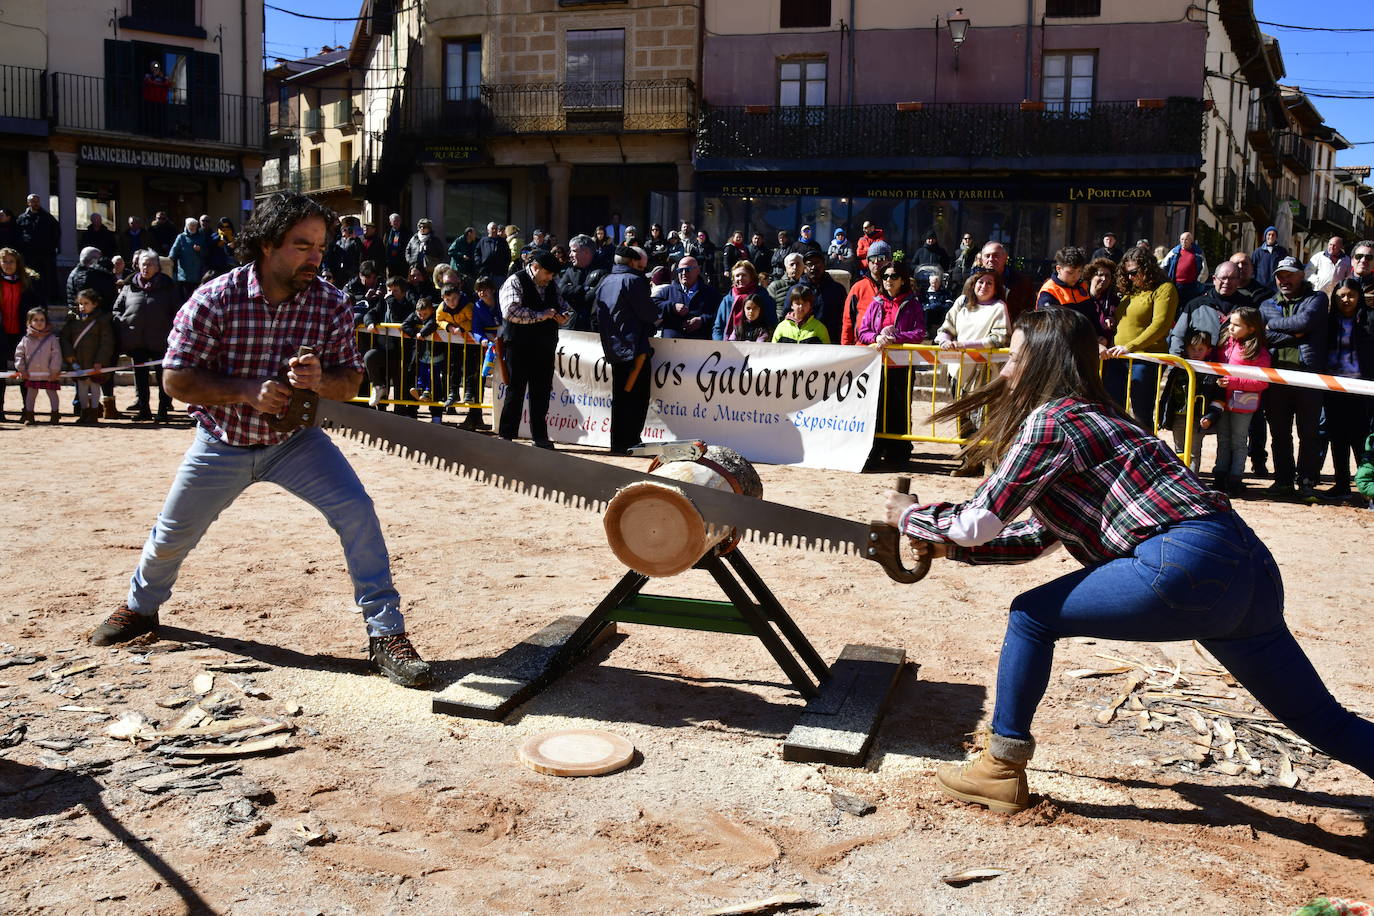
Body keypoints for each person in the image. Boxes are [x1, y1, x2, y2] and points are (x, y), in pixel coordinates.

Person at [885, 308, 1374, 815]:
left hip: (1186, 563)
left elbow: (976, 522)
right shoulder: (1111, 418)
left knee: (1030, 617)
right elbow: (1035, 537)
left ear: (1040, 362)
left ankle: (1000, 768)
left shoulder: (1052, 421)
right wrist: (946, 545)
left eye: (1014, 356)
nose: (1005, 369)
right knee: (1323, 721)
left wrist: (912, 517)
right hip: (1247, 568)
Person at [87, 193, 433, 685]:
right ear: (268, 245)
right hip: (221, 441)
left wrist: (319, 380)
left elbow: (350, 382)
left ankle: (386, 635)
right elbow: (175, 380)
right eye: (302, 246)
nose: (315, 257)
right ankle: (141, 610)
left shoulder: (331, 303)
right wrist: (246, 391)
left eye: (320, 246)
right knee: (172, 535)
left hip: (295, 442)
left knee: (357, 511)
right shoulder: (214, 299)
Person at [1261, 257, 1328, 499]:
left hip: (1309, 377)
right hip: (1277, 378)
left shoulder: (1317, 298)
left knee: (1309, 433)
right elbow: (1264, 336)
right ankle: (1283, 481)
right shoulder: (1266, 304)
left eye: (1289, 274)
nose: (1284, 280)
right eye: (1280, 275)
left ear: (1301, 275)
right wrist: (1299, 335)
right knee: (1279, 433)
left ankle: (1307, 480)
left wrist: (1274, 326)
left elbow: (1306, 321)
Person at [937, 269, 1011, 475]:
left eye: (989, 283)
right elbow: (947, 327)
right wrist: (945, 340)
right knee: (963, 416)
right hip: (959, 371)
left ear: (996, 288)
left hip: (984, 372)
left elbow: (1000, 338)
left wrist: (966, 345)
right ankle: (969, 461)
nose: (983, 286)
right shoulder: (962, 304)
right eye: (980, 282)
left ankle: (989, 461)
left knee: (985, 417)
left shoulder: (998, 308)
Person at [497, 250, 570, 448]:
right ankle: (506, 434)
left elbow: (565, 306)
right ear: (535, 267)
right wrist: (541, 315)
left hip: (544, 346)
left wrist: (564, 316)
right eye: (548, 273)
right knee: (516, 389)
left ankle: (540, 436)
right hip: (519, 345)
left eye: (553, 275)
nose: (550, 278)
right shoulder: (516, 281)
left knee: (542, 391)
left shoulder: (551, 285)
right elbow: (510, 311)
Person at [859, 261, 926, 468]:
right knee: (876, 408)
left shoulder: (912, 303)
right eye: (886, 276)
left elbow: (919, 332)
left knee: (899, 409)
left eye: (894, 276)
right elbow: (862, 331)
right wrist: (876, 337)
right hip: (877, 366)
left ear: (903, 279)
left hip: (902, 366)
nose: (889, 280)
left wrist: (896, 338)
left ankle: (898, 453)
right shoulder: (876, 303)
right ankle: (875, 449)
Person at [1103, 245, 1178, 429]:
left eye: (1134, 272)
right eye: (1127, 273)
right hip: (1118, 357)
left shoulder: (1165, 289)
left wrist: (1131, 346)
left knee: (1141, 413)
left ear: (1147, 268)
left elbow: (1160, 326)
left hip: (1144, 358)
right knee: (1114, 410)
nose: (1130, 277)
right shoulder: (1131, 291)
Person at [596, 246, 656, 455]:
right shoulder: (634, 281)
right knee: (637, 397)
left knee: (620, 396)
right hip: (634, 348)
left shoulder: (605, 281)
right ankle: (630, 440)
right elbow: (648, 313)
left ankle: (618, 442)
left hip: (613, 346)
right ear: (632, 262)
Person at [1319, 279, 1374, 501]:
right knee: (1337, 437)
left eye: (1351, 295)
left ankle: (1367, 487)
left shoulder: (1370, 318)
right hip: (1333, 387)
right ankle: (1341, 483)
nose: (1346, 300)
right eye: (1341, 295)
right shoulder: (1328, 321)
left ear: (1359, 296)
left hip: (1363, 388)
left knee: (1362, 439)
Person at [112, 249, 179, 422]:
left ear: (157, 267)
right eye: (143, 264)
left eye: (149, 264)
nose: (145, 267)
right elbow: (117, 309)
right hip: (137, 340)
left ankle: (163, 410)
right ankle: (144, 409)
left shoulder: (169, 286)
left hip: (161, 341)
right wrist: (123, 322)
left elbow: (179, 312)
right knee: (140, 378)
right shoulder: (129, 286)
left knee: (162, 377)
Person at [1211, 306, 1271, 496]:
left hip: (1243, 403)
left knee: (1238, 441)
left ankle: (1236, 479)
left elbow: (1262, 382)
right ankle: (1220, 477)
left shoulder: (1259, 352)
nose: (1231, 328)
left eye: (1237, 325)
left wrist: (1234, 382)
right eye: (1230, 323)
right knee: (1223, 439)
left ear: (1252, 328)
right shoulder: (1225, 343)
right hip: (1222, 401)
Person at [438, 278, 498, 430]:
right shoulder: (477, 306)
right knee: (478, 376)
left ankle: (477, 417)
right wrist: (483, 338)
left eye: (484, 289)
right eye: (478, 290)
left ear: (492, 289)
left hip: (503, 343)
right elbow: (476, 327)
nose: (481, 293)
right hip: (483, 346)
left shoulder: (498, 302)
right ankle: (474, 416)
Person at [1163, 329, 1224, 474]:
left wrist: (1211, 416)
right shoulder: (1178, 369)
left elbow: (1218, 398)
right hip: (1178, 416)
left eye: (1200, 349)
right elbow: (1167, 395)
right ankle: (1182, 481)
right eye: (1192, 349)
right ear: (1186, 349)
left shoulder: (1212, 372)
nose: (1196, 352)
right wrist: (1163, 416)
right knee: (1179, 451)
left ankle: (1192, 482)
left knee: (1193, 452)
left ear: (1208, 350)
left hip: (1198, 419)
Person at [1166, 260, 1246, 358]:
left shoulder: (1247, 306)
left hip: (1235, 368)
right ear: (1214, 279)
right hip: (1200, 369)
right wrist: (1176, 365)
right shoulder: (1195, 305)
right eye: (1223, 278)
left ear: (1238, 280)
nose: (1227, 282)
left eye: (1232, 278)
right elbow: (1178, 337)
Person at [60, 288, 115, 425]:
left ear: (94, 304)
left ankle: (94, 411)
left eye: (86, 303)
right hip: (78, 360)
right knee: (81, 386)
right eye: (80, 303)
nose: (82, 306)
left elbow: (106, 343)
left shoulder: (102, 321)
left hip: (94, 360)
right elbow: (64, 339)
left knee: (94, 385)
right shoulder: (72, 321)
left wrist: (100, 361)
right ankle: (84, 411)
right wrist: (69, 356)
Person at [0, 247, 42, 421]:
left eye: (11, 261)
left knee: (25, 373)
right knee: (0, 374)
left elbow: (39, 307)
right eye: (4, 261)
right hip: (1, 334)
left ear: (18, 264)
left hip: (23, 334)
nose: (8, 265)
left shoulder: (29, 283)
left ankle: (28, 410)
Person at [363, 277, 415, 412]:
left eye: (395, 291)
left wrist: (391, 301)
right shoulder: (383, 303)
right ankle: (379, 387)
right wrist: (370, 323)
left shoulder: (408, 306)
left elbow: (400, 318)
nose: (391, 294)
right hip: (383, 350)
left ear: (403, 293)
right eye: (389, 290)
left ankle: (400, 415)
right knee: (369, 357)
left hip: (400, 353)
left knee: (400, 391)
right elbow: (370, 313)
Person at [13, 307, 62, 424]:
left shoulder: (52, 339)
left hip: (49, 374)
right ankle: (29, 416)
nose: (39, 322)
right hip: (32, 373)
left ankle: (55, 415)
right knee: (30, 395)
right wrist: (21, 369)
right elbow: (19, 354)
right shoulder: (25, 339)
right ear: (29, 322)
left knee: (52, 394)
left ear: (46, 322)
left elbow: (56, 355)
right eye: (35, 320)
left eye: (42, 320)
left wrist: (54, 370)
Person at [401, 295, 445, 422]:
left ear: (431, 310)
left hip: (436, 355)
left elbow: (432, 324)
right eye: (419, 314)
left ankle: (435, 412)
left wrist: (422, 333)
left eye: (425, 314)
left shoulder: (436, 314)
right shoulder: (415, 316)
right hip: (421, 356)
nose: (422, 317)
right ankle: (421, 391)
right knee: (420, 375)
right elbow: (405, 325)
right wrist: (416, 334)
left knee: (435, 379)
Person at [842, 240, 892, 346]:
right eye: (872, 259)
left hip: (892, 351)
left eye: (881, 258)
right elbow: (848, 322)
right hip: (863, 350)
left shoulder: (897, 286)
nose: (876, 262)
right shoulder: (858, 288)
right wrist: (845, 349)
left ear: (889, 260)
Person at [655, 255, 718, 340]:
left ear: (698, 270)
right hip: (671, 346)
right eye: (680, 270)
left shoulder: (711, 293)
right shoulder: (668, 291)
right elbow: (652, 306)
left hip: (700, 345)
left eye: (688, 270)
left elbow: (720, 316)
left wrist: (702, 320)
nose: (684, 273)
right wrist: (672, 306)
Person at [713, 261, 776, 341]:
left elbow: (771, 323)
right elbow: (718, 327)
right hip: (729, 346)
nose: (740, 278)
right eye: (737, 276)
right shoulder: (727, 300)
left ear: (751, 277)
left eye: (744, 275)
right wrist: (719, 344)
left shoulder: (763, 297)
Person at [556, 235, 607, 333]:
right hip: (570, 325)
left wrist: (572, 291)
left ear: (586, 252)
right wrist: (584, 289)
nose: (570, 254)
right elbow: (560, 289)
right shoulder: (570, 270)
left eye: (574, 251)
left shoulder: (603, 270)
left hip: (592, 329)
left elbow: (591, 297)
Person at [16, 193, 59, 304]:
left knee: (45, 279)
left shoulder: (48, 218)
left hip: (45, 255)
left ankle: (46, 299)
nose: (35, 203)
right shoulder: (21, 218)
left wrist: (50, 247)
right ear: (28, 203)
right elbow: (17, 234)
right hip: (29, 255)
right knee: (29, 278)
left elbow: (56, 233)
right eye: (33, 201)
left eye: (37, 201)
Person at [979, 241, 1035, 325]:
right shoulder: (974, 282)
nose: (990, 259)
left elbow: (1029, 313)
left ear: (1005, 258)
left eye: (996, 256)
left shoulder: (1021, 282)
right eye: (987, 256)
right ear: (982, 260)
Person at [800, 249, 847, 342]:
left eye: (817, 263)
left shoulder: (838, 290)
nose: (813, 267)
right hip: (804, 343)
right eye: (809, 264)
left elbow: (845, 317)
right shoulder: (797, 290)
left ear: (824, 265)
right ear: (805, 268)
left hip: (831, 341)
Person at [1034, 247, 1091, 322]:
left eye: (1079, 271)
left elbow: (1092, 314)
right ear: (1058, 269)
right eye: (1070, 272)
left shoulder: (1082, 286)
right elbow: (1048, 322)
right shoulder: (1049, 291)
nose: (1076, 276)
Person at [66, 247, 117, 317]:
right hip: (92, 317)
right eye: (99, 259)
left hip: (77, 314)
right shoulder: (91, 274)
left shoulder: (73, 272)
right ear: (94, 260)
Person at [1161, 230, 1209, 304]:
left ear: (1191, 241)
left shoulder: (1198, 253)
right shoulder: (1174, 251)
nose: (1184, 241)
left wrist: (1199, 281)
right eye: (1182, 239)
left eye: (1186, 239)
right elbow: (1164, 265)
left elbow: (1204, 269)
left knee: (1189, 306)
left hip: (1191, 286)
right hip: (1176, 285)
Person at [169, 217, 209, 302]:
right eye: (190, 226)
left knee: (195, 296)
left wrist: (200, 250)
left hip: (197, 272)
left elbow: (206, 253)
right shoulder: (181, 237)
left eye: (194, 225)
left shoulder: (201, 237)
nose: (192, 227)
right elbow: (174, 250)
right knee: (184, 296)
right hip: (184, 273)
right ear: (186, 226)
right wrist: (170, 259)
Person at [1080, 257, 1117, 347]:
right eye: (1100, 275)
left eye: (1108, 276)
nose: (1104, 278)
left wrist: (1113, 320)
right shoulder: (1080, 297)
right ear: (1091, 276)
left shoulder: (1114, 300)